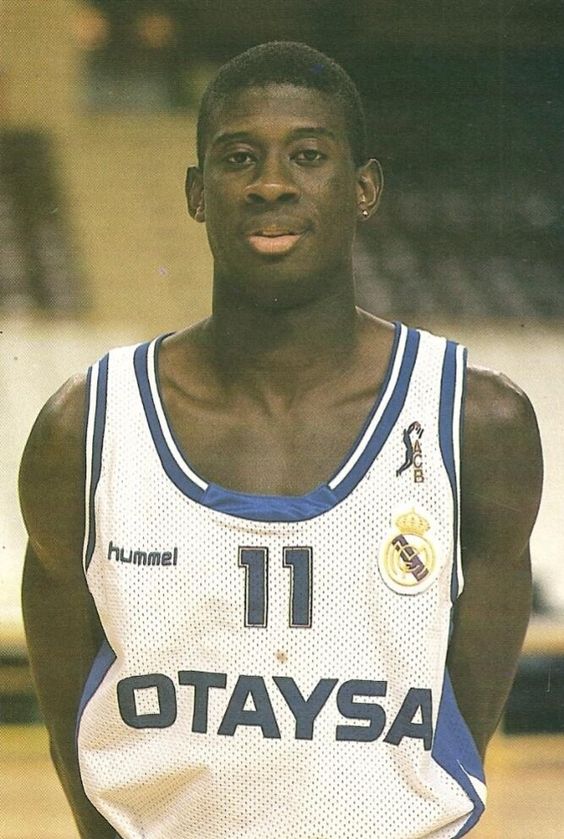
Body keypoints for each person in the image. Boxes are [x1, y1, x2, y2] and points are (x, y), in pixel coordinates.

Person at [19, 41, 543, 839]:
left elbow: (458, 737)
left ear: (363, 188)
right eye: (239, 158)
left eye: (308, 155)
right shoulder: (84, 428)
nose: (271, 184)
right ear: (198, 194)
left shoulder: (478, 425)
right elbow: (73, 742)